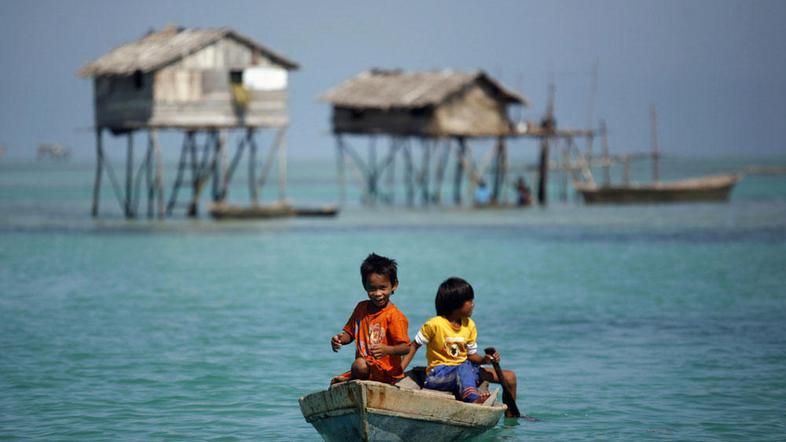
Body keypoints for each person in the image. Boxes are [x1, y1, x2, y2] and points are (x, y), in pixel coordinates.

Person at [402, 278, 518, 415]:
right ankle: (473, 398)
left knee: (509, 377)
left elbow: (471, 356)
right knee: (463, 366)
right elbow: (414, 346)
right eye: (469, 301)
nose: (473, 305)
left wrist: (485, 360)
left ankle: (511, 416)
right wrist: (399, 371)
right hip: (438, 375)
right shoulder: (435, 324)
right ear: (455, 304)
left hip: (466, 370)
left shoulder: (469, 325)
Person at [330, 253, 410, 386]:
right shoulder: (361, 308)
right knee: (358, 367)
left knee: (359, 365)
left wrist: (387, 350)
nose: (378, 294)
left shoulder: (395, 316)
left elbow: (405, 347)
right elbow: (350, 333)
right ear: (365, 286)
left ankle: (353, 380)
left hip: (386, 372)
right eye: (372, 289)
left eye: (383, 288)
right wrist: (339, 340)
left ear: (394, 285)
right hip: (366, 369)